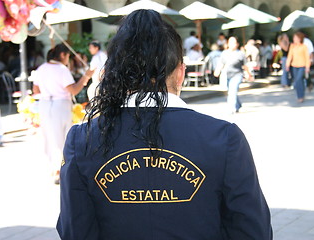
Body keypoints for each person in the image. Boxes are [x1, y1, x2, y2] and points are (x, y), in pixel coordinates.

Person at [57, 10, 272, 240]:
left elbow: (74, 230)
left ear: (114, 73)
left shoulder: (82, 139)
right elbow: (253, 231)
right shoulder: (224, 138)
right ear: (180, 73)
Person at [32, 43, 91, 184]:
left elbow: (36, 90)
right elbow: (74, 90)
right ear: (63, 55)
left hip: (45, 104)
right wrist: (85, 77)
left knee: (49, 136)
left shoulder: (41, 68)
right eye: (67, 57)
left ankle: (54, 168)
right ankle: (59, 169)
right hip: (60, 104)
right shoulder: (61, 69)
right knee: (62, 137)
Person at [214, 36, 253, 114]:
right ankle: (238, 105)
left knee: (232, 90)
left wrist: (249, 74)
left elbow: (245, 66)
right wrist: (217, 71)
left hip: (237, 74)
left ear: (237, 44)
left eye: (234, 43)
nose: (233, 44)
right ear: (228, 44)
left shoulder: (240, 54)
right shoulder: (224, 53)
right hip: (228, 75)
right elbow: (221, 63)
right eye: (231, 42)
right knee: (231, 91)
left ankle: (231, 108)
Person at [286, 32, 310, 103]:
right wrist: (287, 65)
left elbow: (307, 57)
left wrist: (307, 67)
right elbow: (290, 56)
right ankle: (300, 94)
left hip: (302, 65)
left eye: (296, 38)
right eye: (294, 38)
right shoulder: (292, 46)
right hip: (294, 65)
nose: (294, 39)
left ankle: (301, 96)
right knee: (297, 81)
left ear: (300, 39)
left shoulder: (304, 46)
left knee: (299, 80)